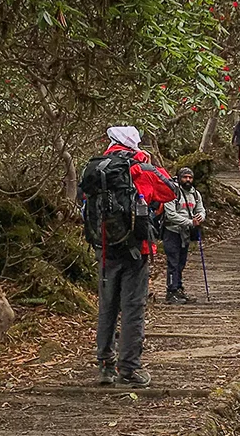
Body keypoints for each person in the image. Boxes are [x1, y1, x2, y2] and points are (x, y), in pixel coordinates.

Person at [80, 126, 177, 387]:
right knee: (133, 307)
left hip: (104, 247)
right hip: (137, 249)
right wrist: (147, 162)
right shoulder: (139, 167)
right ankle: (130, 368)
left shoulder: (97, 168)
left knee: (107, 305)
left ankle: (104, 366)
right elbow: (171, 191)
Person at [162, 167, 206, 305]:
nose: (188, 180)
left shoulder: (195, 194)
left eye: (190, 177)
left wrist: (201, 217)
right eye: (185, 177)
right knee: (173, 262)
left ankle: (179, 288)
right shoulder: (172, 193)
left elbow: (201, 209)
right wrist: (190, 222)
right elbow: (170, 214)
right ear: (179, 178)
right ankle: (171, 291)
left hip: (185, 233)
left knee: (181, 263)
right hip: (172, 231)